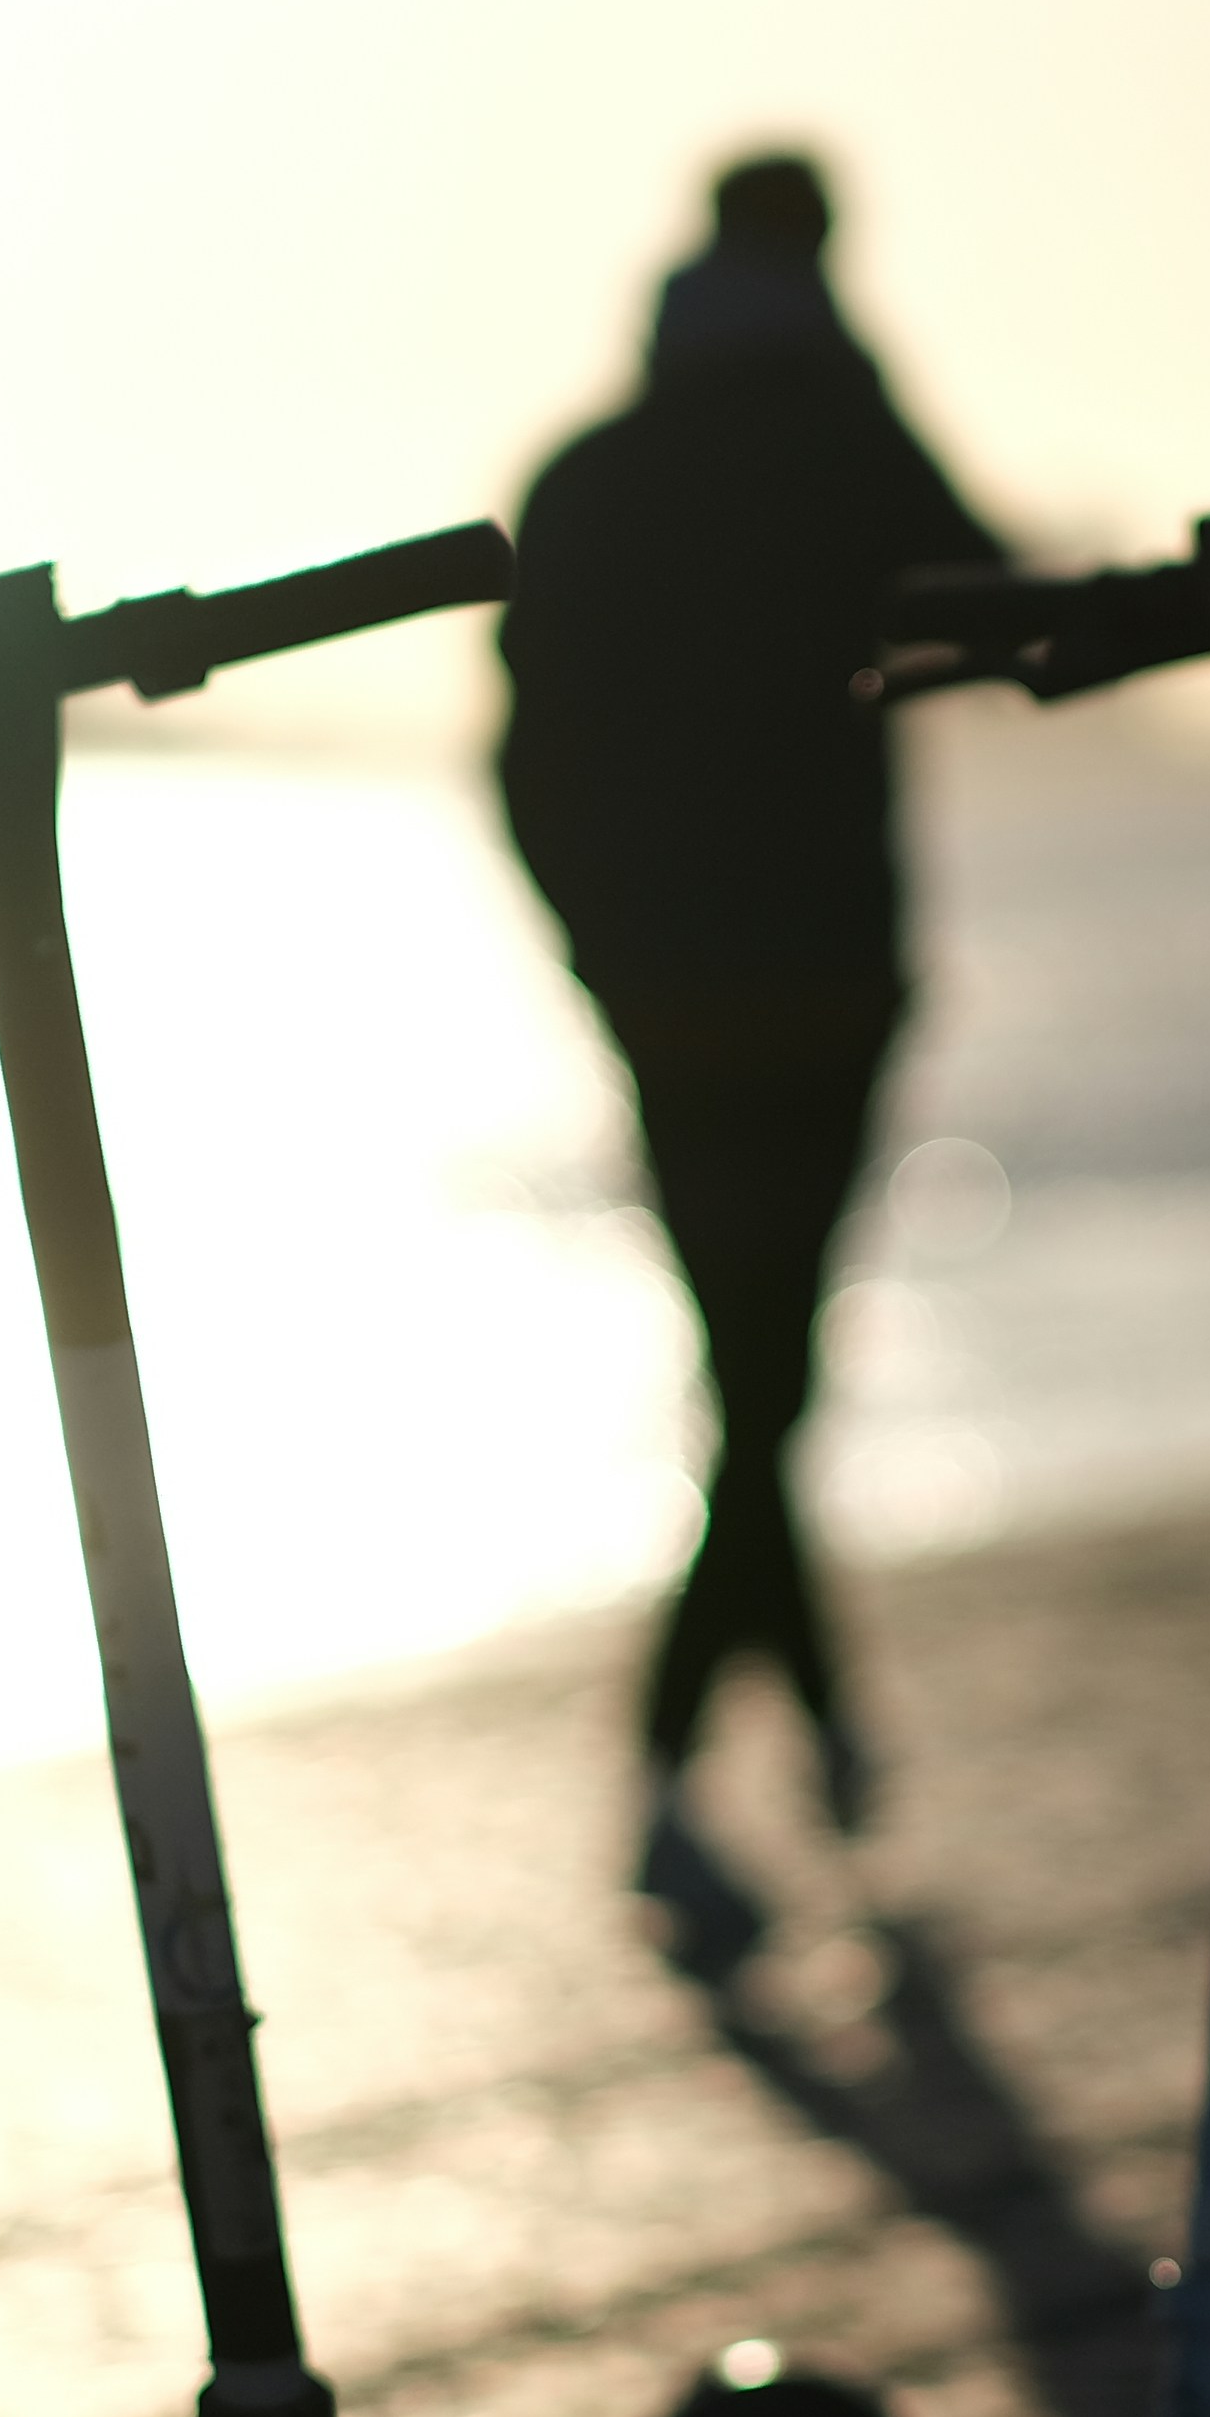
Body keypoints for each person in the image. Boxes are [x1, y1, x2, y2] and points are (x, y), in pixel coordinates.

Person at [496, 151, 999, 1969]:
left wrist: (599, 954)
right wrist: (864, 389)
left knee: (757, 1370)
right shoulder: (838, 441)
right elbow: (992, 590)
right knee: (772, 1375)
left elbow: (522, 760)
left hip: (675, 997)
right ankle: (704, 1756)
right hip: (821, 980)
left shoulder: (587, 475)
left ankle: (774, 1747)